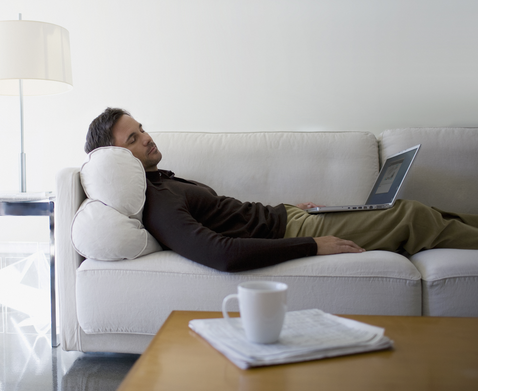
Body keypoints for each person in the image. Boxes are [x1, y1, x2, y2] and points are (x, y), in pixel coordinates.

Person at [84, 107, 478, 272]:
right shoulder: (156, 202)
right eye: (133, 139)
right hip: (292, 233)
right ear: (114, 160)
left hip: (290, 218)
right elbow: (219, 254)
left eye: (142, 129)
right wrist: (312, 244)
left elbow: (231, 216)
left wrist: (290, 209)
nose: (147, 139)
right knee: (412, 216)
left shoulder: (162, 180)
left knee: (419, 210)